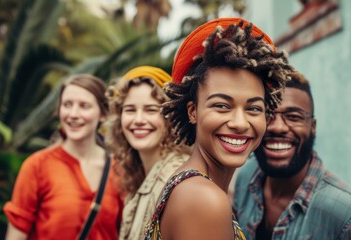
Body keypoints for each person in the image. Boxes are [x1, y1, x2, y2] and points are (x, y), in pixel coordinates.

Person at [144, 17, 294, 240]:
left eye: (253, 108)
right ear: (193, 111)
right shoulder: (203, 199)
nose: (240, 123)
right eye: (222, 106)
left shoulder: (190, 183)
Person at [232, 72, 351, 239]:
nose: (278, 127)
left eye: (293, 117)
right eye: (267, 114)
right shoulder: (246, 176)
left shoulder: (344, 213)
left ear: (313, 127)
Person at [3, 74, 123, 240]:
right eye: (67, 105)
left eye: (84, 106)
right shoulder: (38, 165)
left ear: (103, 114)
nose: (73, 114)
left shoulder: (119, 170)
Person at [105, 66, 190, 240]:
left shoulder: (177, 181)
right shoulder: (136, 176)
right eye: (129, 110)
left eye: (151, 110)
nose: (138, 120)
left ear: (170, 117)